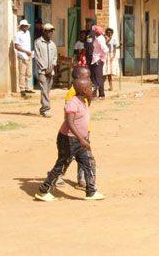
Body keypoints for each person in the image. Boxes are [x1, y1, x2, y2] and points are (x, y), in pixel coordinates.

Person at [35, 74, 104, 202]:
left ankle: (91, 191)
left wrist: (84, 139)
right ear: (84, 90)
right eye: (90, 87)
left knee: (89, 163)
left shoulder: (83, 101)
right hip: (68, 140)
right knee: (61, 165)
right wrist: (82, 139)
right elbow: (70, 123)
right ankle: (43, 191)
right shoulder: (72, 103)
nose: (93, 89)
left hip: (80, 140)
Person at [34, 23, 59, 118]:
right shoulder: (38, 42)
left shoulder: (53, 44)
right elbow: (37, 56)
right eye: (49, 31)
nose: (51, 33)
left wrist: (52, 67)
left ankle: (42, 108)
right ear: (44, 32)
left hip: (51, 71)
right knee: (44, 89)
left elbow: (55, 57)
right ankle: (46, 109)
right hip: (42, 71)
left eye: (52, 31)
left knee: (47, 90)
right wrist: (45, 68)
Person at [14, 20, 35, 98]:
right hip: (22, 55)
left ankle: (27, 87)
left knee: (28, 73)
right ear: (21, 26)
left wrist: (29, 52)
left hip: (29, 54)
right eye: (24, 26)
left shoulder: (28, 33)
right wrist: (25, 51)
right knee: (22, 73)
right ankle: (22, 89)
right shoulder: (18, 34)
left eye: (26, 26)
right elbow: (16, 46)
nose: (26, 27)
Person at [90, 25, 109, 99]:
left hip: (98, 60)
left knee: (98, 77)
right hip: (95, 59)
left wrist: (101, 58)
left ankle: (101, 94)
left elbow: (105, 49)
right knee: (94, 77)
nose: (93, 32)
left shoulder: (100, 39)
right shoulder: (97, 38)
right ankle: (94, 94)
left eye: (94, 30)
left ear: (97, 31)